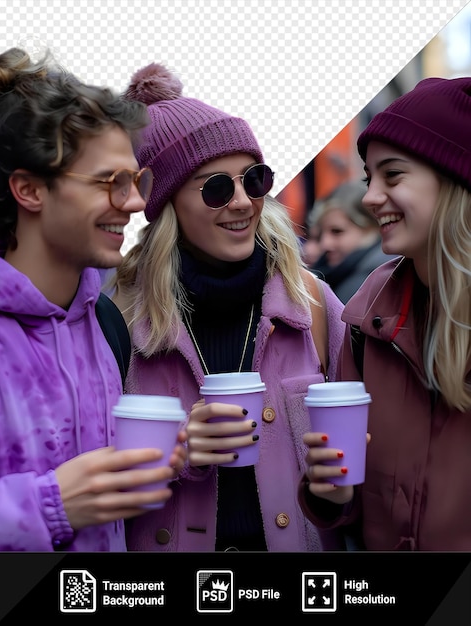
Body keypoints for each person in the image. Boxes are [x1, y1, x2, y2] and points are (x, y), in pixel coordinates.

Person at [0, 48, 186, 551]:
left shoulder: (105, 321)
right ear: (30, 190)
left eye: (136, 180)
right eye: (112, 182)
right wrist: (50, 507)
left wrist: (173, 452)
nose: (135, 202)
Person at [110, 62, 347, 551]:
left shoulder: (313, 306)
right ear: (167, 203)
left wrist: (336, 493)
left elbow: (362, 479)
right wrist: (176, 454)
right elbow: (87, 485)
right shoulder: (119, 321)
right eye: (216, 187)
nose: (242, 202)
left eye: (254, 179)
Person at [299, 76, 471, 550]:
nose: (372, 196)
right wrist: (331, 493)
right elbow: (353, 506)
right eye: (369, 177)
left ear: (456, 179)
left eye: (392, 175)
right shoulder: (370, 312)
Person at [307, 179, 396, 303]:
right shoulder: (330, 274)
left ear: (371, 228)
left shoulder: (379, 282)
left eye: (337, 231)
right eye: (321, 233)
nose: (325, 244)